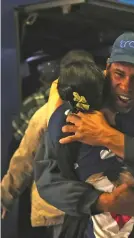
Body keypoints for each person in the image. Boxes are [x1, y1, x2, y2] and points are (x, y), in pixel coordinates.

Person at [35, 32, 134, 238]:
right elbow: (48, 178)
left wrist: (107, 136)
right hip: (85, 229)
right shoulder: (81, 103)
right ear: (107, 69)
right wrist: (104, 202)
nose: (126, 86)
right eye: (119, 74)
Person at [1, 50, 95, 238]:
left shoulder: (45, 112)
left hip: (60, 206)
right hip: (89, 205)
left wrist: (5, 197)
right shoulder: (103, 109)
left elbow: (24, 157)